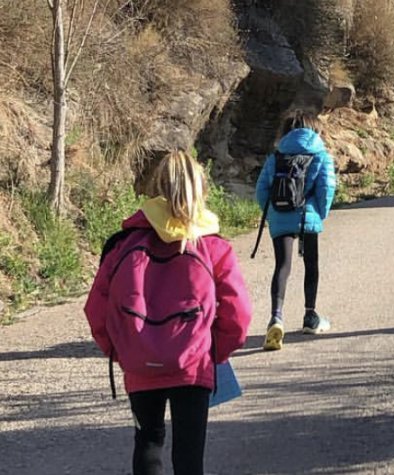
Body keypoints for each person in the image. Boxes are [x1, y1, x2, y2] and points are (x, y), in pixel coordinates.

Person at [84, 151, 252, 475]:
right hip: (193, 364)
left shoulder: (123, 244)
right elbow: (239, 314)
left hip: (139, 366)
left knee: (147, 443)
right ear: (202, 191)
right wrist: (213, 350)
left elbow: (96, 308)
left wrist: (122, 350)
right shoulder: (214, 247)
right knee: (190, 457)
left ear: (155, 189)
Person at [256, 110, 336, 351]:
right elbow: (326, 188)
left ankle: (276, 317)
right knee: (311, 266)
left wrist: (273, 214)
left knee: (282, 266)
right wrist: (319, 215)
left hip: (280, 218)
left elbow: (262, 190)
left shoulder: (277, 155)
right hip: (307, 216)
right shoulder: (320, 154)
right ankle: (310, 316)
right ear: (314, 128)